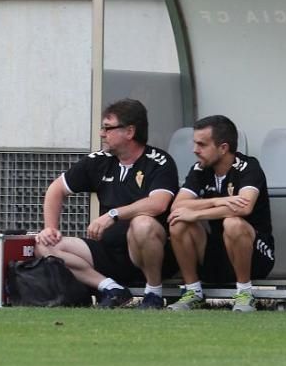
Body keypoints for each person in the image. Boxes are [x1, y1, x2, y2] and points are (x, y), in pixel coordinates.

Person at [34, 98, 179, 309]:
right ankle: (112, 289)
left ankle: (154, 294)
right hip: (107, 252)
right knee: (43, 246)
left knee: (143, 224)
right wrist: (50, 228)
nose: (102, 133)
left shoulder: (159, 161)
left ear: (129, 132)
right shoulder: (99, 161)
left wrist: (113, 214)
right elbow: (56, 190)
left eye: (108, 128)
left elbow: (159, 203)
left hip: (149, 256)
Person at [167, 115, 275, 312]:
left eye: (202, 144)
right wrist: (218, 200)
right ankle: (193, 292)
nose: (195, 150)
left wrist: (197, 213)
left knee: (233, 223)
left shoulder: (248, 166)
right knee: (178, 221)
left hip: (256, 255)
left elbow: (244, 207)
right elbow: (178, 206)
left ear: (223, 148)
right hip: (215, 255)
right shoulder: (200, 169)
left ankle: (244, 293)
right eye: (195, 143)